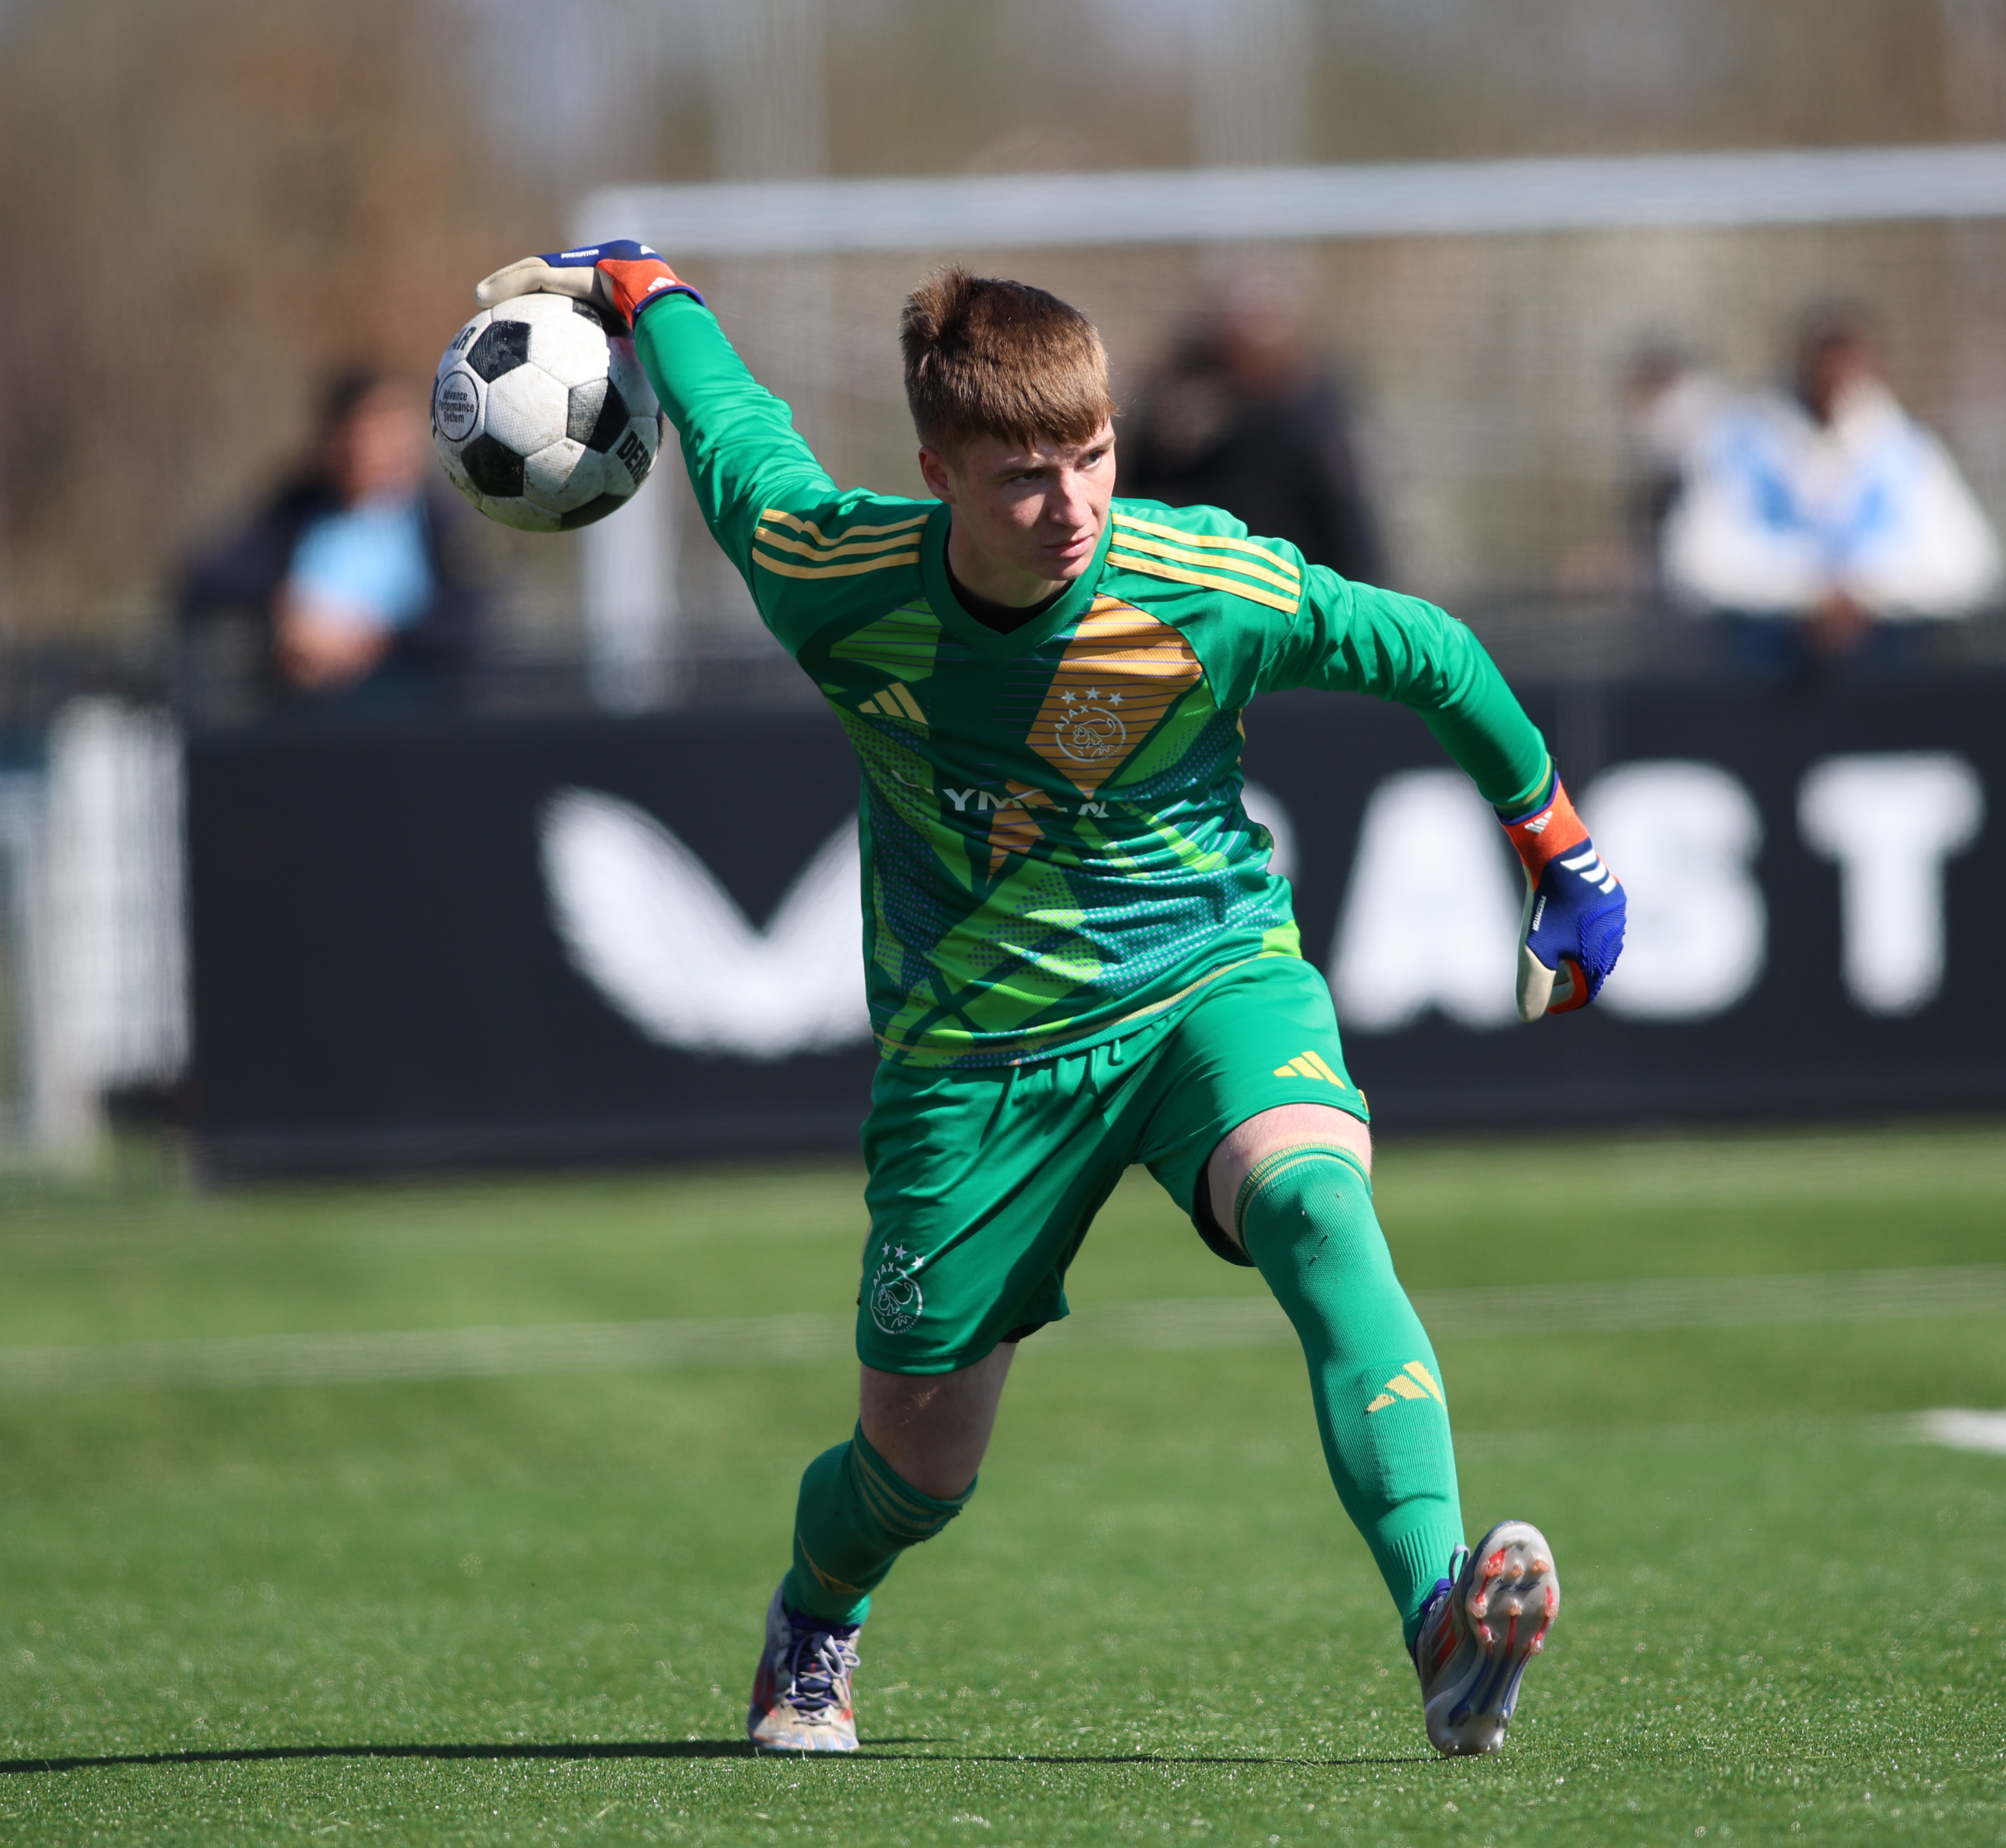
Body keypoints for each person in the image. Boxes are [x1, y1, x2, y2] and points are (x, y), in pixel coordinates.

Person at [473, 239, 1629, 1760]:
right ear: (937, 470)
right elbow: (736, 427)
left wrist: (1560, 845)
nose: (1073, 503)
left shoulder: (1200, 582)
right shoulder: (827, 573)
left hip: (1206, 980)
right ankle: (816, 1617)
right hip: (974, 1064)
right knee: (917, 1473)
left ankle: (1440, 1616)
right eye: (1025, 475)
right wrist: (644, 288)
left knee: (1316, 1210)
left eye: (1091, 457)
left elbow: (1428, 651)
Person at [1656, 303, 2002, 670]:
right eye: (1828, 366)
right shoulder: (1735, 446)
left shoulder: (1907, 451)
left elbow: (1969, 566)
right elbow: (1694, 566)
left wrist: (1866, 593)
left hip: (1887, 672)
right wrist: (1808, 594)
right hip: (1761, 673)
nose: (1838, 381)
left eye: (1851, 367)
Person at [179, 366, 487, 703]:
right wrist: (285, 614)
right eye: (359, 431)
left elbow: (469, 616)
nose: (370, 446)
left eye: (385, 429)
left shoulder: (441, 518)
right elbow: (206, 580)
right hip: (303, 713)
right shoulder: (293, 510)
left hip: (410, 712)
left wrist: (373, 640)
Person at [1119, 275, 1386, 582]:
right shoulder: (1197, 407)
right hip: (1216, 580)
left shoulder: (1309, 422)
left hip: (1299, 585)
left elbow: (1348, 527)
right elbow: (1144, 486)